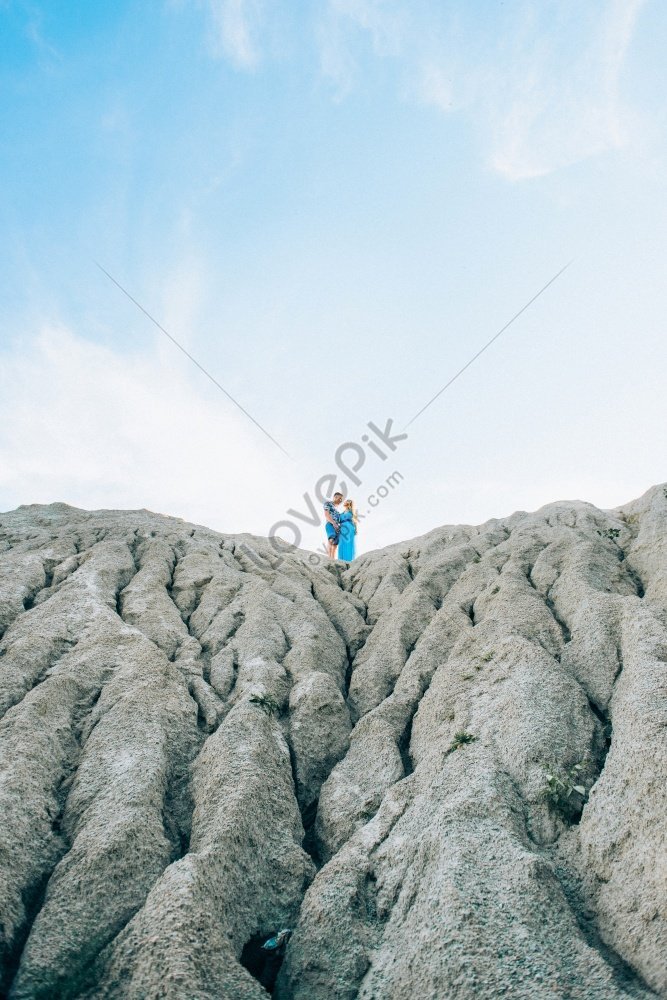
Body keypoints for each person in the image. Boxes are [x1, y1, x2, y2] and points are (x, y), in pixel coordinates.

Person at [323, 492, 344, 558]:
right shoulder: (328, 504)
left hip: (337, 527)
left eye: (341, 499)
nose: (341, 501)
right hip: (330, 524)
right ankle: (329, 558)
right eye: (340, 498)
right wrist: (333, 523)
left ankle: (333, 559)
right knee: (331, 539)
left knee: (335, 544)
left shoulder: (337, 511)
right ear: (335, 497)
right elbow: (326, 515)